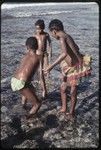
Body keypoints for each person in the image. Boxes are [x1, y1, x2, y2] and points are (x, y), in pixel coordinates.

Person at [44, 19, 92, 119]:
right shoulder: (67, 36)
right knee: (63, 88)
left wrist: (50, 66)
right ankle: (64, 107)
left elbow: (64, 53)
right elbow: (76, 48)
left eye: (52, 34)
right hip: (68, 66)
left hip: (75, 68)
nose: (53, 36)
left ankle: (72, 112)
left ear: (54, 31)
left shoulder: (62, 38)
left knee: (73, 91)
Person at [11, 37, 41, 119]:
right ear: (38, 46)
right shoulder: (39, 57)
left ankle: (23, 106)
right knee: (37, 104)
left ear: (27, 47)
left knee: (32, 89)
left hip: (14, 80)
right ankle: (27, 119)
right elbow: (39, 71)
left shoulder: (25, 55)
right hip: (21, 83)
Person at [33, 19, 52, 98]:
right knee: (40, 73)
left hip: (45, 55)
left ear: (43, 27)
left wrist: (50, 53)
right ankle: (44, 90)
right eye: (37, 29)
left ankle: (44, 85)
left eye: (40, 28)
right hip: (38, 55)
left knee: (46, 71)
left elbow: (50, 44)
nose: (38, 30)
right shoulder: (35, 35)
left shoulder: (46, 35)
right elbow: (32, 46)